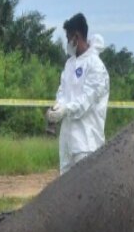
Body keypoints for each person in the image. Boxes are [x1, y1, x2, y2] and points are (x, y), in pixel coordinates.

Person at [47, 13, 110, 174]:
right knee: (63, 191)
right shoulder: (69, 64)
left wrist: (65, 110)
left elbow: (85, 102)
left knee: (86, 192)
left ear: (76, 37)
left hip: (87, 143)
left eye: (68, 38)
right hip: (67, 142)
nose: (67, 42)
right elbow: (62, 92)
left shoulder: (96, 66)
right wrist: (56, 108)